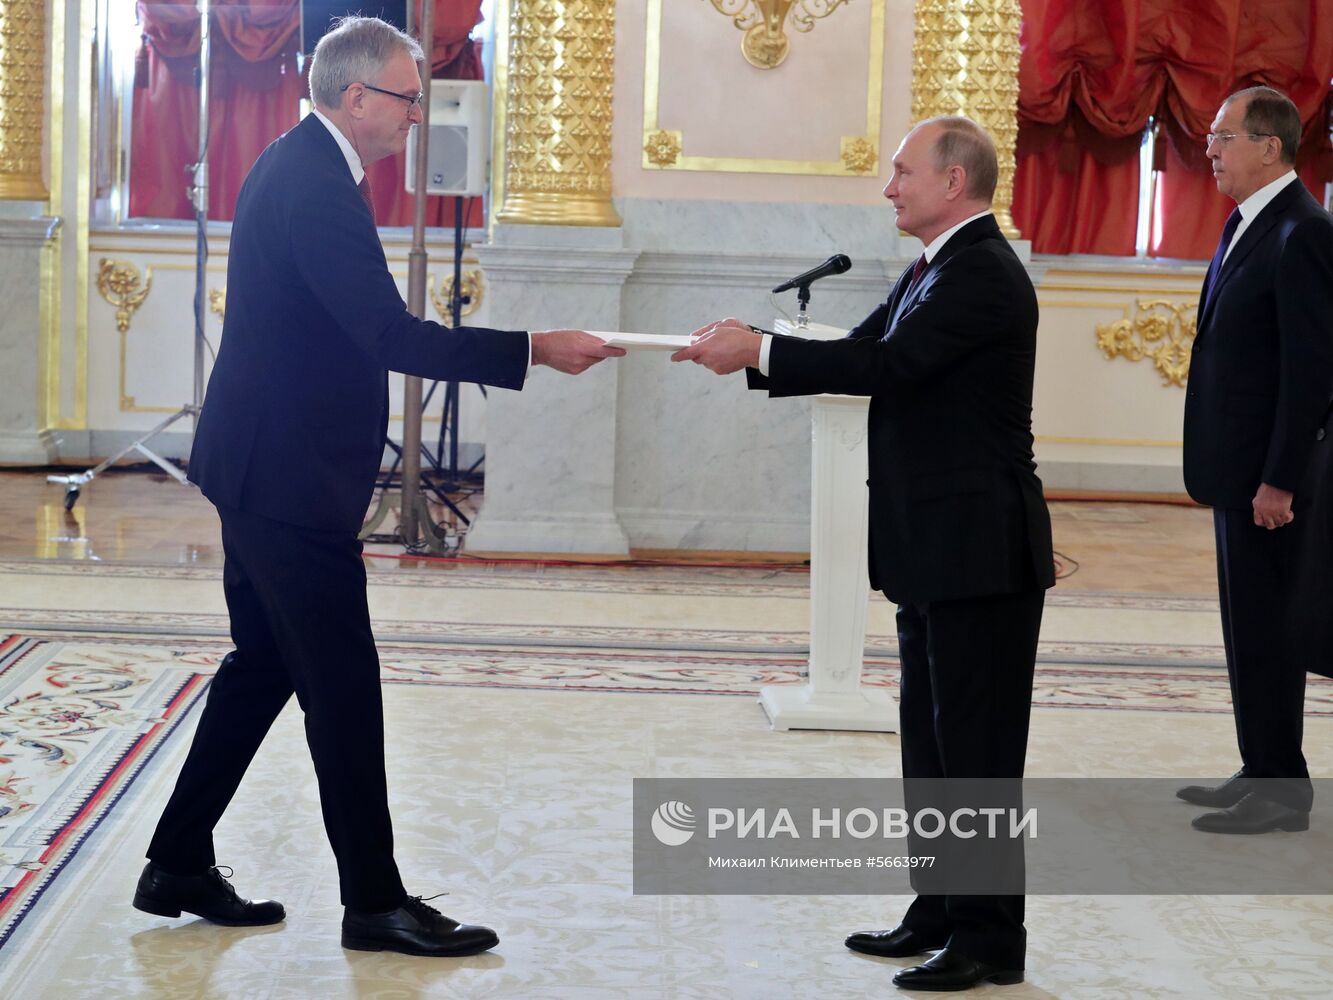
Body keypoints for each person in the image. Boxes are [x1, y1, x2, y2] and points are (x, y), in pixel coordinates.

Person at [131, 16, 622, 957]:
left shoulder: (305, 165)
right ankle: (374, 904)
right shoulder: (314, 183)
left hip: (264, 463)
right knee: (343, 690)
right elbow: (390, 336)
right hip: (285, 479)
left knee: (264, 666)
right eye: (407, 97)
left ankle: (178, 860)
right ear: (355, 96)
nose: (416, 114)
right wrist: (532, 349)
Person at [672, 117, 1052, 992]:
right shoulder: (931, 267)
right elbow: (858, 351)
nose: (888, 188)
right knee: (932, 744)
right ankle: (937, 909)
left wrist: (758, 350)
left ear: (952, 181)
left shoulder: (982, 272)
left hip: (982, 552)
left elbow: (891, 365)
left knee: (978, 756)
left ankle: (989, 939)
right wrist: (751, 346)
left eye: (902, 172)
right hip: (935, 548)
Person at [1177, 86, 1333, 834]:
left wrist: (1278, 478)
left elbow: (1310, 372)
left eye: (1223, 137)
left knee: (1270, 627)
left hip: (1268, 481)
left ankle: (1283, 789)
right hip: (1234, 471)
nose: (1209, 149)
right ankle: (1262, 766)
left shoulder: (1303, 232)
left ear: (1270, 148)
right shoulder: (1247, 222)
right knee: (1246, 627)